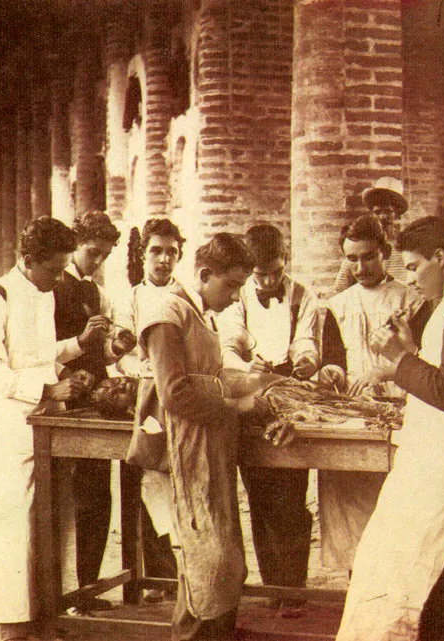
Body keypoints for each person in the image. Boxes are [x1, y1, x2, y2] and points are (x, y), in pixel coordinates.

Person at [336, 216, 444, 641]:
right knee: (413, 563)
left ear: (441, 258)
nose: (410, 279)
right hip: (435, 453)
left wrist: (399, 360)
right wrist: (411, 349)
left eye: (413, 267)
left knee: (424, 562)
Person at [140, 232, 293, 641]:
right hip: (182, 449)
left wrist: (263, 382)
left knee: (223, 562)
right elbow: (174, 393)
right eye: (232, 285)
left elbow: (214, 375)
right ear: (205, 274)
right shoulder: (166, 313)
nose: (236, 296)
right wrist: (237, 406)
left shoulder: (200, 314)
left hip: (211, 447)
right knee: (206, 560)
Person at [0, 216, 85, 641]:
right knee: (10, 526)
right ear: (28, 259)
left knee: (48, 522)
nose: (59, 278)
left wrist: (76, 347)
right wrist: (49, 386)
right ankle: (12, 624)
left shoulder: (43, 292)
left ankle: (45, 614)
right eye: (53, 269)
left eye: (63, 268)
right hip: (5, 427)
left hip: (42, 423)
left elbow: (37, 354)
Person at [319, 214, 430, 574]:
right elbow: (333, 357)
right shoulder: (338, 306)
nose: (360, 266)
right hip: (352, 411)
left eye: (368, 257)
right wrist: (331, 371)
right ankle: (358, 581)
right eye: (351, 259)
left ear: (384, 253)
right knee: (350, 500)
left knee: (396, 503)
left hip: (399, 409)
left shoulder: (411, 300)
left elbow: (423, 357)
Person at [217, 224, 317, 615]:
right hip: (251, 398)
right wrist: (247, 363)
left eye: (276, 272)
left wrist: (306, 358)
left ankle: (294, 588)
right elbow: (228, 343)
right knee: (260, 496)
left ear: (285, 262)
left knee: (291, 497)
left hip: (288, 395)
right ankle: (274, 585)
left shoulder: (302, 295)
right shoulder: (238, 296)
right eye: (262, 275)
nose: (270, 280)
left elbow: (307, 337)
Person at [52, 211, 136, 611]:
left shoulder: (94, 291)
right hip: (60, 394)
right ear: (74, 245)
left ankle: (88, 589)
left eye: (104, 255)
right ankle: (62, 593)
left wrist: (116, 348)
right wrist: (81, 341)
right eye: (91, 252)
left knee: (97, 494)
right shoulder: (51, 286)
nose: (97, 261)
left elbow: (101, 352)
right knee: (67, 498)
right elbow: (44, 346)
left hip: (94, 398)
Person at [115, 218, 189, 602]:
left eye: (171, 252)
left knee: (177, 483)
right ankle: (151, 578)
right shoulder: (130, 299)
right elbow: (123, 353)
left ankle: (183, 574)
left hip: (176, 398)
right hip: (144, 398)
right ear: (143, 254)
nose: (163, 260)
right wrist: (137, 367)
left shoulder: (186, 297)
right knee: (144, 482)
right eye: (156, 251)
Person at [332, 176, 409, 294]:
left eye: (388, 211)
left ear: (396, 214)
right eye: (378, 212)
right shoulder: (361, 246)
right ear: (371, 214)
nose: (383, 217)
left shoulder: (405, 245)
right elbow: (340, 289)